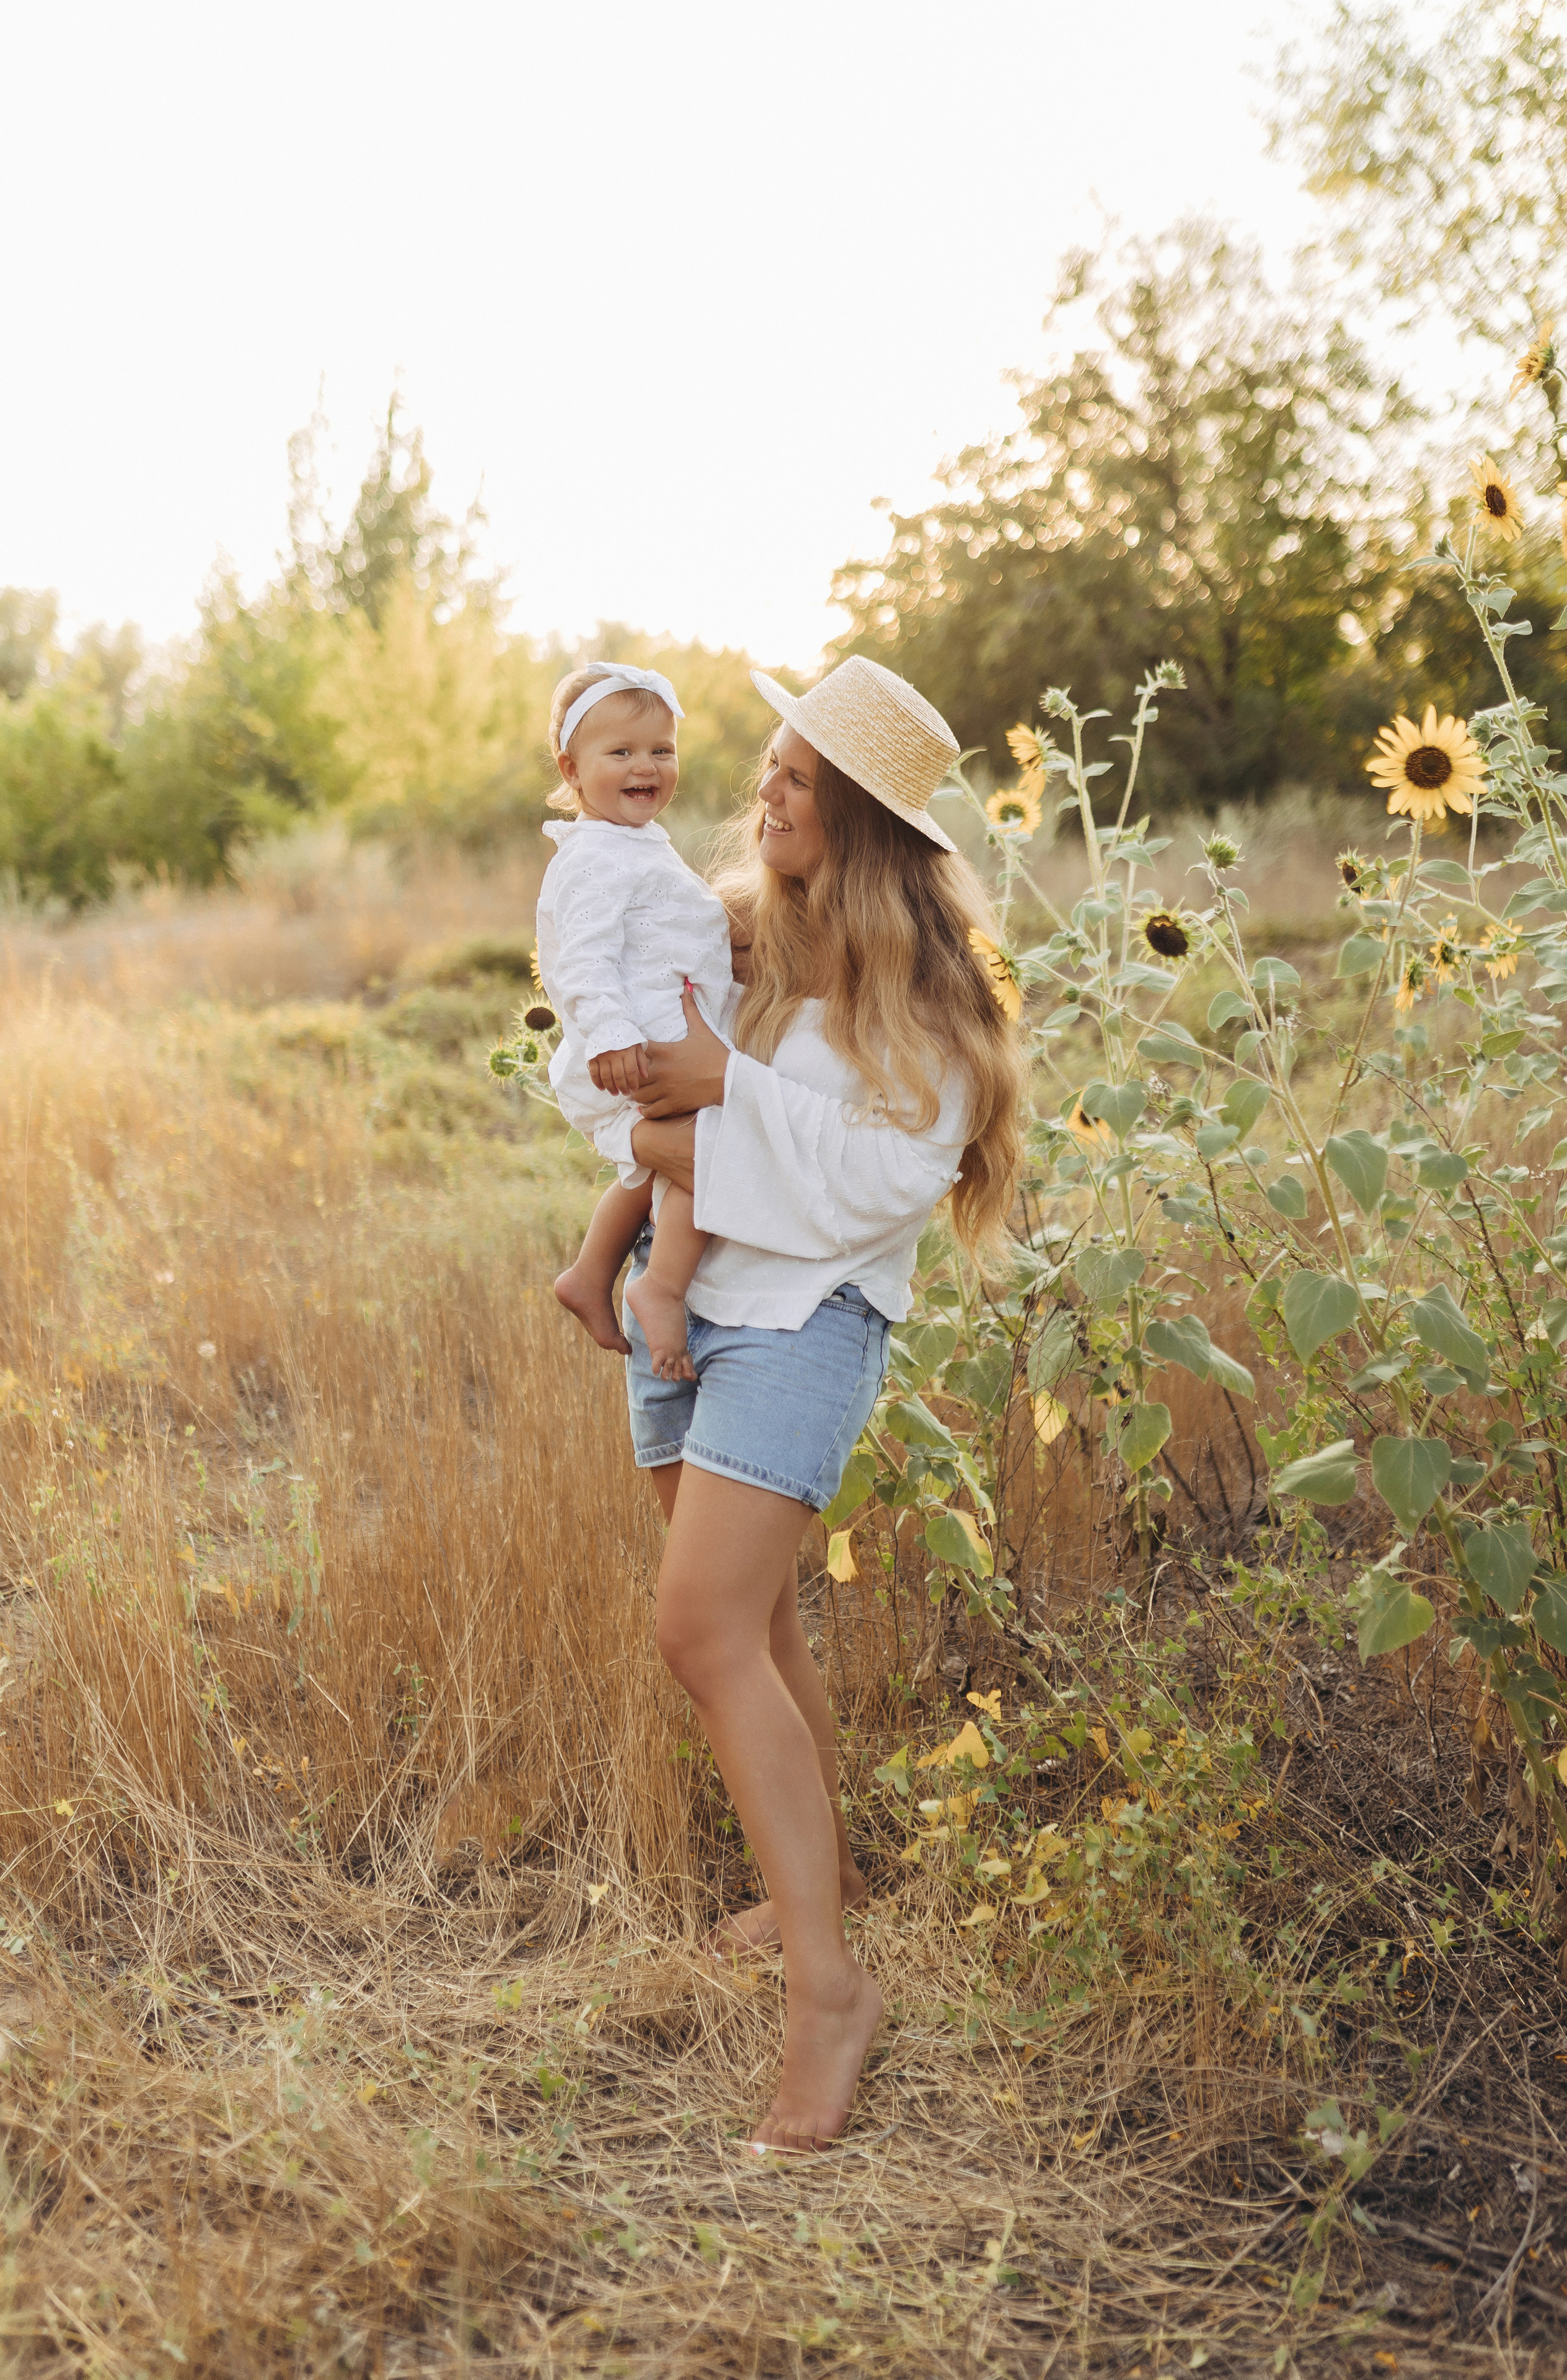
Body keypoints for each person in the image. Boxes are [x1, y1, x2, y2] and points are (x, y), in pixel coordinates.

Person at [623, 656, 1024, 2153]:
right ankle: (816, 1885)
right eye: (772, 767)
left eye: (793, 776)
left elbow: (884, 1180)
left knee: (701, 1628)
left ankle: (826, 1991)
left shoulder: (919, 997)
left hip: (805, 1323)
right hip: (702, 1309)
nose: (763, 791)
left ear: (854, 813)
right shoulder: (758, 942)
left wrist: (716, 1095)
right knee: (762, 1624)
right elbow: (632, 1097)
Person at [534, 662, 736, 1380]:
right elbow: (584, 958)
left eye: (662, 750)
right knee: (701, 1150)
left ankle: (590, 1271)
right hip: (638, 1045)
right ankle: (661, 1286)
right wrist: (614, 1036)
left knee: (656, 1161)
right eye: (620, 753)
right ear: (572, 767)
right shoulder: (594, 854)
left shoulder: (632, 842)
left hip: (656, 1031)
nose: (645, 766)